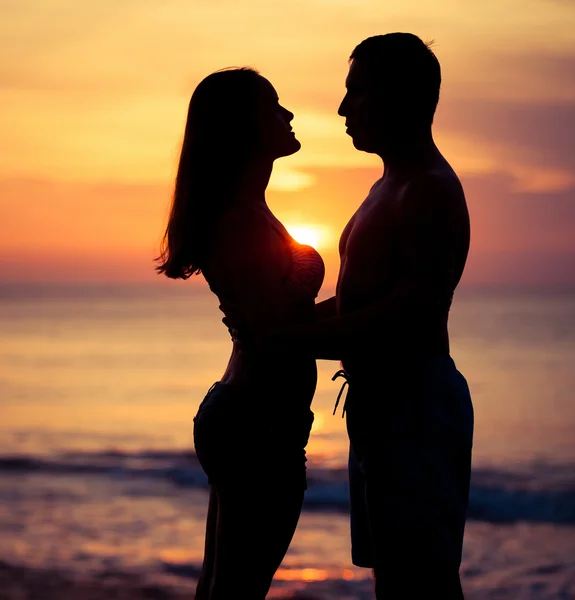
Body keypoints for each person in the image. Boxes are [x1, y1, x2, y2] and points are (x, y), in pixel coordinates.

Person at [239, 33, 474, 599]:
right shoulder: (387, 186)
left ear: (398, 96)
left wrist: (287, 341)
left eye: (357, 92)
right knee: (394, 573)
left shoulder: (429, 190)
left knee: (423, 579)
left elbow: (409, 316)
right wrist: (284, 329)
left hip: (414, 406)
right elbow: (362, 301)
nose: (343, 109)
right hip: (381, 408)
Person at [155, 67, 325, 600]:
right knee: (236, 590)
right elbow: (276, 337)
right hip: (259, 426)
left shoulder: (251, 212)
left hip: (256, 419)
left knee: (225, 586)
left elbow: (278, 323)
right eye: (275, 105)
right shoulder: (240, 223)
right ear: (246, 126)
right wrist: (381, 319)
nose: (289, 114)